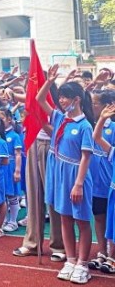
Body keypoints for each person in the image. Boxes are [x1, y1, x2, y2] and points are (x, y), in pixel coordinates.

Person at [37, 64, 95, 284]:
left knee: (81, 220)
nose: (61, 101)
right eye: (60, 98)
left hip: (76, 175)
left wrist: (79, 183)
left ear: (77, 99)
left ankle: (82, 263)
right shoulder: (61, 119)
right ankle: (70, 260)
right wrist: (49, 81)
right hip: (59, 173)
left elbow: (86, 157)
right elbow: (40, 101)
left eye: (65, 98)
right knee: (64, 217)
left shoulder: (84, 126)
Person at [88, 91, 115, 272]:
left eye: (95, 103)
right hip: (96, 184)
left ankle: (112, 255)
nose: (91, 107)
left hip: (110, 184)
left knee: (112, 221)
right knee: (99, 218)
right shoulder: (90, 125)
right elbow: (94, 139)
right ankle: (102, 251)